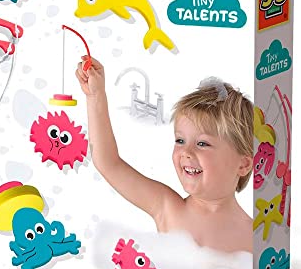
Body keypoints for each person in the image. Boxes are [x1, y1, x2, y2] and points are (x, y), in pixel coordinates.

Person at [76, 56, 253, 253]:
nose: (186, 152)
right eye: (180, 140)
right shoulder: (167, 207)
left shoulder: (254, 236)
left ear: (243, 165)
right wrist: (95, 96)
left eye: (202, 143)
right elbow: (108, 163)